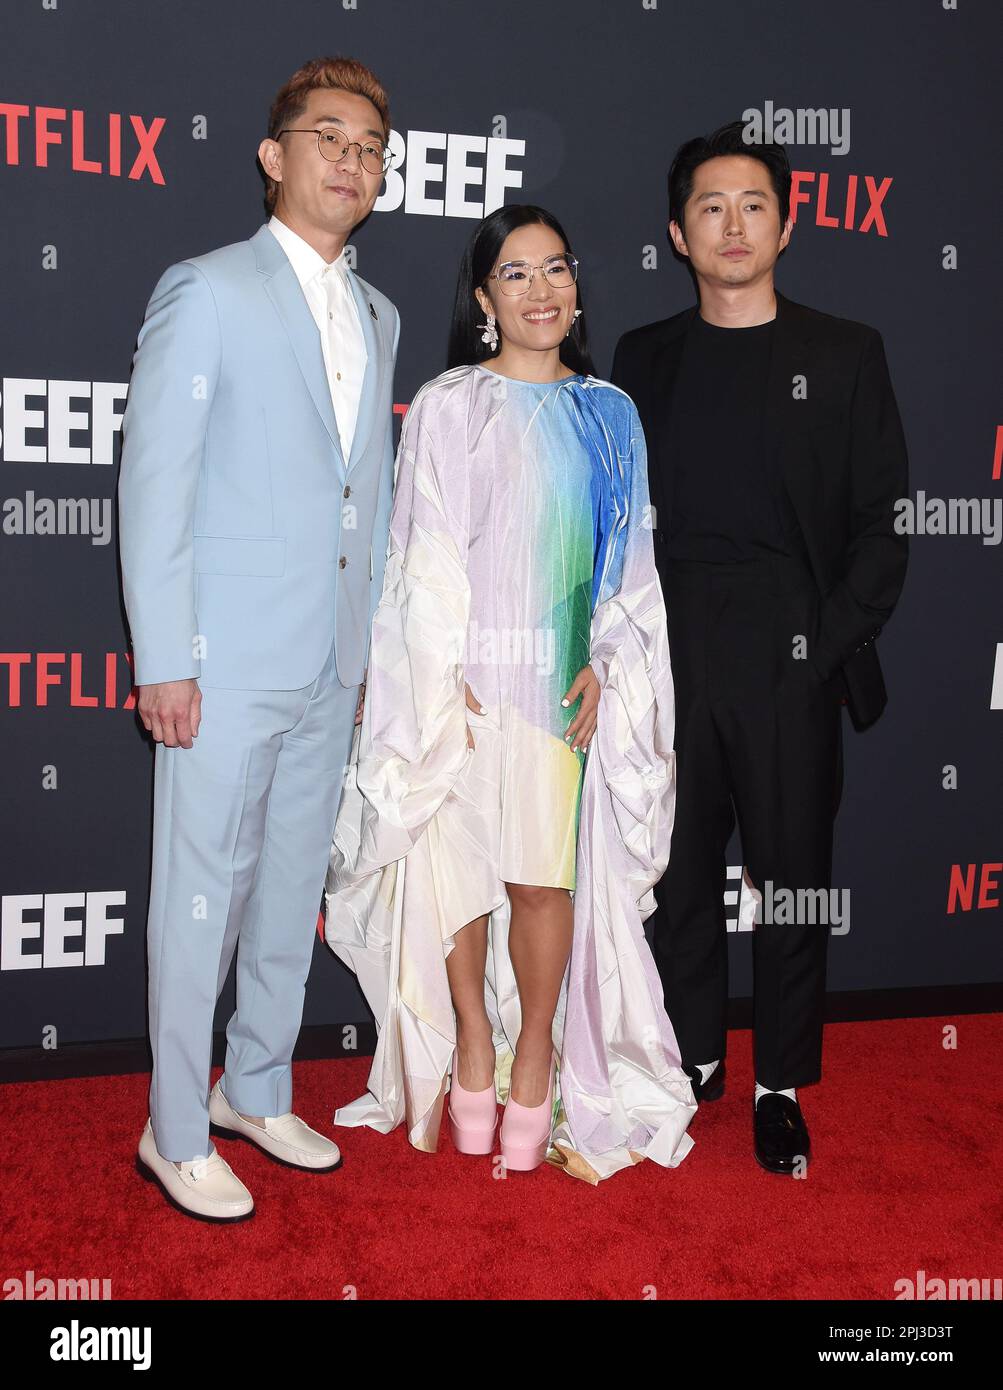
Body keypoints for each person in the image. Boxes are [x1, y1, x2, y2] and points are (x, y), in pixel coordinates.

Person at [324, 205, 696, 1183]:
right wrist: (438, 676)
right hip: (462, 688)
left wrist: (606, 666)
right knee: (457, 884)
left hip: (553, 696)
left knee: (539, 880)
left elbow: (631, 573)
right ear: (484, 298)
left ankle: (535, 1055)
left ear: (575, 290)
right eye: (517, 274)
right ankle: (472, 1050)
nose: (542, 290)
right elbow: (417, 555)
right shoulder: (448, 405)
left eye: (557, 270)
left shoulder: (608, 413)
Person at [118, 56, 400, 1221]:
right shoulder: (209, 288)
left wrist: (370, 650)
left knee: (291, 887)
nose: (352, 160)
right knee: (203, 896)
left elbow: (363, 500)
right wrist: (166, 658)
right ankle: (172, 1127)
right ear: (273, 156)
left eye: (372, 147)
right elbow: (155, 484)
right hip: (223, 660)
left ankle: (259, 1082)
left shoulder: (379, 315)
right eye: (328, 137)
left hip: (331, 659)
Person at [611, 121, 909, 1174]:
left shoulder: (843, 353)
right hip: (672, 642)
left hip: (791, 648)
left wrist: (820, 650)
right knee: (676, 871)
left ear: (784, 224)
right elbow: (612, 516)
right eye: (708, 207)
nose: (732, 225)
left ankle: (778, 1084)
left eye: (752, 206)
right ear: (676, 235)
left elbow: (882, 523)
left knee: (790, 882)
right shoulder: (643, 358)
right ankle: (691, 1059)